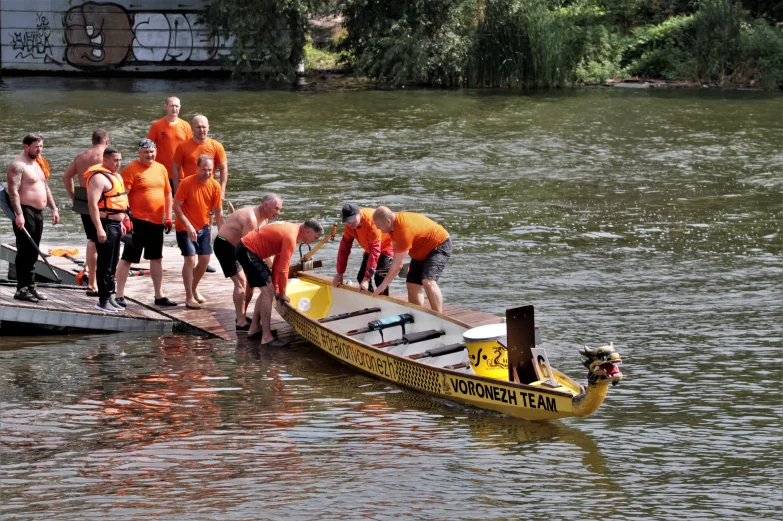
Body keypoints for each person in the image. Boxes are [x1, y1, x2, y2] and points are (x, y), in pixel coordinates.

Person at [237, 220, 323, 347]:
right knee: (267, 290)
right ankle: (266, 337)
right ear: (308, 232)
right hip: (247, 250)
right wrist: (282, 293)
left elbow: (278, 261)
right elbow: (284, 268)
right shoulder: (291, 237)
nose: (314, 241)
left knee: (269, 288)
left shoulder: (292, 230)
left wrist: (276, 287)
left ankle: (254, 328)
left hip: (248, 250)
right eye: (315, 238)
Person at [114, 139, 177, 308]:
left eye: (152, 152)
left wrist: (168, 217)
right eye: (146, 152)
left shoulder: (161, 168)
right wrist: (126, 216)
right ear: (139, 153)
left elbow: (167, 194)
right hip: (137, 221)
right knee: (128, 257)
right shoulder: (131, 169)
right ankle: (119, 294)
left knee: (156, 258)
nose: (149, 155)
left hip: (156, 221)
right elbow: (123, 194)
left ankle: (159, 295)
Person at [214, 193, 283, 332]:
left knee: (251, 283)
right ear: (266, 206)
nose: (278, 213)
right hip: (225, 245)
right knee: (241, 281)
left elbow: (262, 246)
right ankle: (240, 322)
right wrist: (264, 265)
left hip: (241, 247)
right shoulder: (251, 218)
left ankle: (242, 316)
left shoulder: (264, 220)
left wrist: (271, 264)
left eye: (279, 209)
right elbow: (250, 247)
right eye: (276, 208)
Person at [5, 133, 60, 302]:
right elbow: (13, 191)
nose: (40, 150)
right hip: (25, 211)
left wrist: (53, 208)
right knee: (25, 251)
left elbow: (45, 186)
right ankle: (21, 289)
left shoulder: (38, 163)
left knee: (34, 251)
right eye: (36, 147)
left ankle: (31, 286)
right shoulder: (18, 165)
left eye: (41, 146)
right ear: (26, 146)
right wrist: (19, 214)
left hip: (38, 212)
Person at [372, 206, 452, 313]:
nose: (378, 229)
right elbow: (396, 255)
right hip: (420, 250)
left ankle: (439, 316)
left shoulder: (403, 229)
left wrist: (383, 285)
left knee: (428, 281)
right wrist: (392, 269)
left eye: (379, 226)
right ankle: (417, 314)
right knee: (412, 284)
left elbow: (398, 264)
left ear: (388, 221)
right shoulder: (392, 228)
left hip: (438, 245)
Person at [173, 154, 224, 309]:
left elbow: (218, 210)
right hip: (184, 228)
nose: (207, 173)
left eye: (210, 170)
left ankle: (194, 288)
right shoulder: (186, 183)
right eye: (204, 170)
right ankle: (189, 296)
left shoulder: (215, 185)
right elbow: (176, 206)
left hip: (203, 227)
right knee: (190, 260)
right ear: (197, 168)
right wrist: (188, 225)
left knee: (205, 260)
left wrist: (222, 232)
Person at [63, 129, 109, 295]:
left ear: (92, 141)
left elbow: (66, 177)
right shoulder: (108, 156)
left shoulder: (81, 157)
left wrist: (74, 197)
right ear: (106, 141)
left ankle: (92, 283)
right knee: (104, 240)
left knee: (92, 240)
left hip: (84, 198)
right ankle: (104, 279)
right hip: (104, 200)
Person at [86, 147, 129, 313]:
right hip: (105, 224)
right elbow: (92, 205)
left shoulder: (116, 176)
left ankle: (110, 296)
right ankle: (102, 300)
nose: (118, 163)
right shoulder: (98, 178)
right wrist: (99, 229)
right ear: (105, 160)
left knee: (113, 263)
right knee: (104, 264)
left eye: (119, 160)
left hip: (116, 224)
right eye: (115, 160)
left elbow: (121, 201)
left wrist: (124, 222)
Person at [332, 203, 394, 295]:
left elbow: (375, 251)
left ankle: (385, 301)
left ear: (359, 214)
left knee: (380, 278)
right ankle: (370, 300)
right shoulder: (349, 226)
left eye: (353, 220)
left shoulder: (370, 222)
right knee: (361, 277)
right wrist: (340, 272)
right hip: (370, 248)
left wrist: (367, 277)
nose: (351, 223)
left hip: (387, 246)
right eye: (348, 221)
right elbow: (344, 249)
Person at [171, 115, 227, 194]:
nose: (201, 130)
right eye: (198, 127)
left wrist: (222, 190)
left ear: (208, 127)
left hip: (209, 190)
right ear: (192, 128)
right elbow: (175, 169)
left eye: (204, 127)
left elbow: (223, 169)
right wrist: (177, 190)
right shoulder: (182, 146)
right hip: (189, 190)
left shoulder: (217, 146)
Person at [147, 96, 192, 185]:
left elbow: (190, 149)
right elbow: (148, 147)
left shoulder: (186, 125)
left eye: (176, 106)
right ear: (165, 107)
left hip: (181, 173)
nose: (174, 109)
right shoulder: (157, 125)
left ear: (180, 107)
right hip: (162, 172)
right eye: (171, 106)